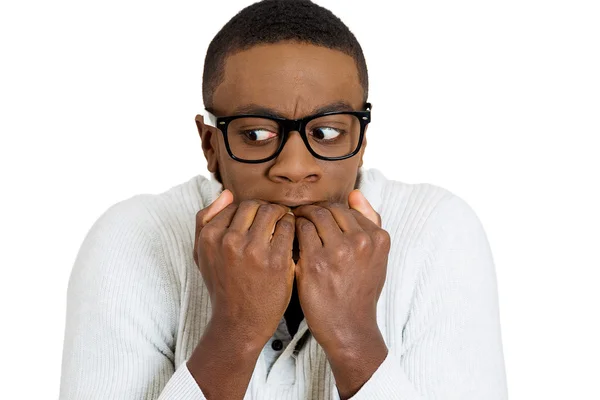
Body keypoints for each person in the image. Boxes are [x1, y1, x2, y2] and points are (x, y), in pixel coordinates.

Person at [58, 1, 508, 399]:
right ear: (211, 144)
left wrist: (354, 335)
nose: (294, 166)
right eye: (256, 133)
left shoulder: (439, 231)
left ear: (362, 140)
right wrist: (236, 329)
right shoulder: (131, 237)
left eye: (328, 132)